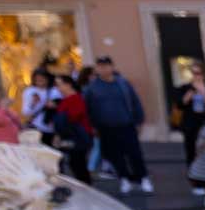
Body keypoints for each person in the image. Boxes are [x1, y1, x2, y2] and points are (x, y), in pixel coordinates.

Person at [84, 56, 151, 194]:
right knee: (116, 156)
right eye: (100, 66)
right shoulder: (92, 88)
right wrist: (93, 126)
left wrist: (139, 120)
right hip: (106, 128)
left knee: (135, 154)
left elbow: (135, 102)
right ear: (97, 68)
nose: (103, 69)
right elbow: (88, 109)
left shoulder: (123, 83)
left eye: (106, 65)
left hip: (126, 125)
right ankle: (124, 179)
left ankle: (143, 178)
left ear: (112, 67)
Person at [176, 61, 205, 185]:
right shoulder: (185, 88)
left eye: (198, 73)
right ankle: (195, 181)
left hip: (204, 124)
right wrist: (189, 94)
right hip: (190, 125)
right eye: (193, 73)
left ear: (203, 74)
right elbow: (180, 105)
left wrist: (203, 94)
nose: (196, 76)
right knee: (191, 152)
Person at [52, 74, 93, 184]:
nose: (57, 88)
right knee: (74, 163)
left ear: (68, 85)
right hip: (71, 136)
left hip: (78, 137)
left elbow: (73, 117)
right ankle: (84, 186)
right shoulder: (65, 100)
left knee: (78, 164)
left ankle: (86, 187)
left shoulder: (76, 98)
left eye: (59, 85)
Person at [21, 68, 61, 147]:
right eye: (37, 79)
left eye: (42, 78)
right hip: (37, 127)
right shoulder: (29, 91)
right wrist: (33, 104)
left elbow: (62, 107)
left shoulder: (55, 91)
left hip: (52, 127)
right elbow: (25, 111)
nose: (40, 81)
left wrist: (54, 105)